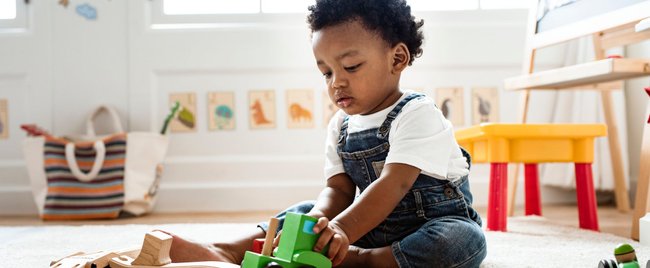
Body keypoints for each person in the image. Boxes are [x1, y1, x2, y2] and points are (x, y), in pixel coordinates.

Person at [165, 0, 487, 267]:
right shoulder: (341, 126)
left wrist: (342, 228)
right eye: (326, 72)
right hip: (370, 226)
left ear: (397, 58)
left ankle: (359, 261)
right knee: (304, 210)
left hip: (429, 226)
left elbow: (394, 183)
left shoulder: (417, 113)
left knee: (460, 242)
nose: (336, 83)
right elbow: (339, 190)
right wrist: (319, 223)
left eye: (351, 67)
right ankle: (231, 250)